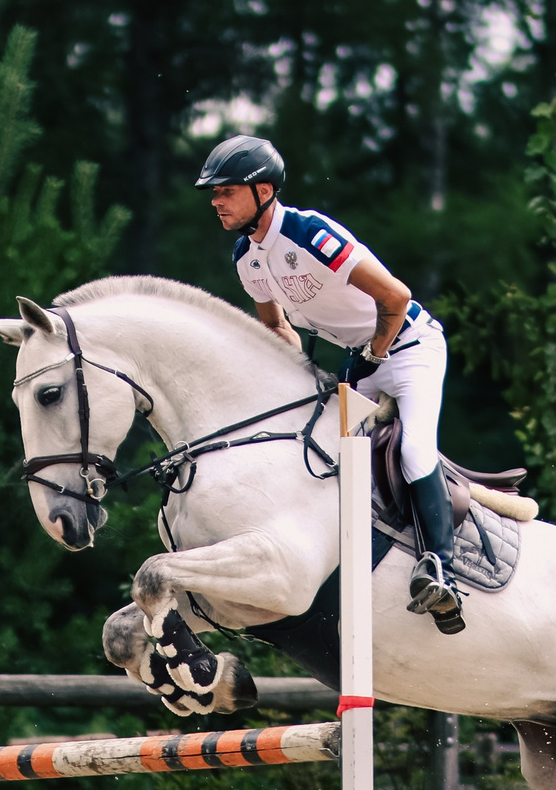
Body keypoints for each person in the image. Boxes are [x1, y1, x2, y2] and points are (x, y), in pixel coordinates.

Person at [194, 134, 466, 633]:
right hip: (360, 362)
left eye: (227, 190)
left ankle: (442, 572)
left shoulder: (309, 233)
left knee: (413, 453)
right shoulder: (246, 257)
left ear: (264, 190)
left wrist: (373, 356)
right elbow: (278, 328)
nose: (216, 199)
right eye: (214, 191)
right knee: (320, 455)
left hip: (408, 348)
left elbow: (396, 296)